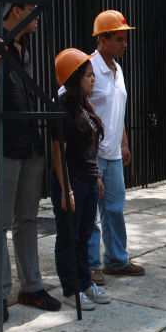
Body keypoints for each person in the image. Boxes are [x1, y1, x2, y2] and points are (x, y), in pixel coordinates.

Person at [0, 0, 61, 323]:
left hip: (29, 144)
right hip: (2, 145)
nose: (37, 16)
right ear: (14, 10)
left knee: (27, 219)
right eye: (32, 10)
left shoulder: (23, 48)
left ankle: (31, 286)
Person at [86, 10, 144, 285]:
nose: (125, 44)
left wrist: (124, 144)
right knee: (90, 213)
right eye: (119, 39)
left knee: (114, 209)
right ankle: (90, 265)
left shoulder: (117, 70)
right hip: (92, 155)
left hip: (113, 155)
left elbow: (116, 111)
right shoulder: (88, 67)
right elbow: (65, 99)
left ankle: (116, 261)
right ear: (103, 39)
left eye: (125, 39)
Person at [51, 48, 111, 310]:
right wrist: (66, 190)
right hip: (71, 181)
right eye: (89, 75)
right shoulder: (62, 110)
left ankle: (85, 282)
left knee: (85, 235)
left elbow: (90, 148)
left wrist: (96, 176)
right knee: (69, 236)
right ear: (75, 78)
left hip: (87, 180)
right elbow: (58, 155)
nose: (93, 79)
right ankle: (70, 288)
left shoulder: (84, 106)